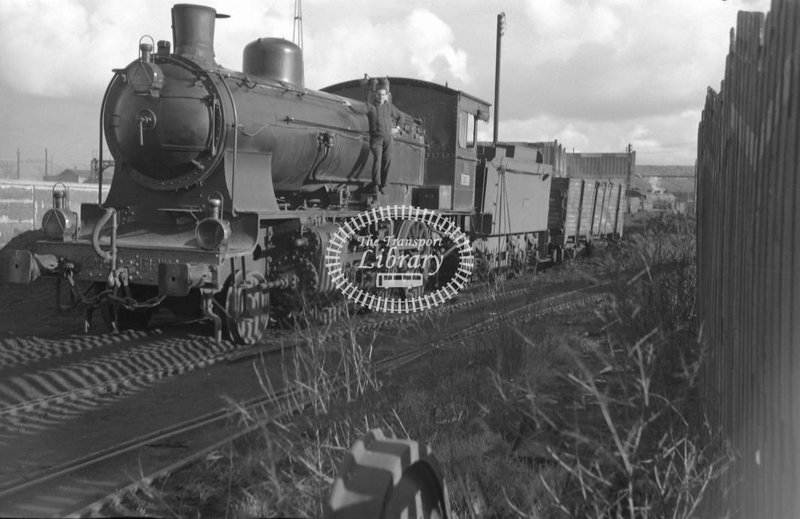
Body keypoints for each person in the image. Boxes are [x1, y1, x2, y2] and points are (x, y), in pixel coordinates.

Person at [366, 87, 402, 194]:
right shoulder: (371, 107)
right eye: (379, 94)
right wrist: (349, 106)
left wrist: (397, 128)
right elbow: (360, 109)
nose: (381, 96)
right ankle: (376, 184)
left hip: (388, 139)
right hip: (376, 139)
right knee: (377, 160)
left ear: (386, 96)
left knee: (387, 161)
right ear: (376, 95)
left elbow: (401, 117)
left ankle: (384, 185)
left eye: (383, 95)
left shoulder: (389, 107)